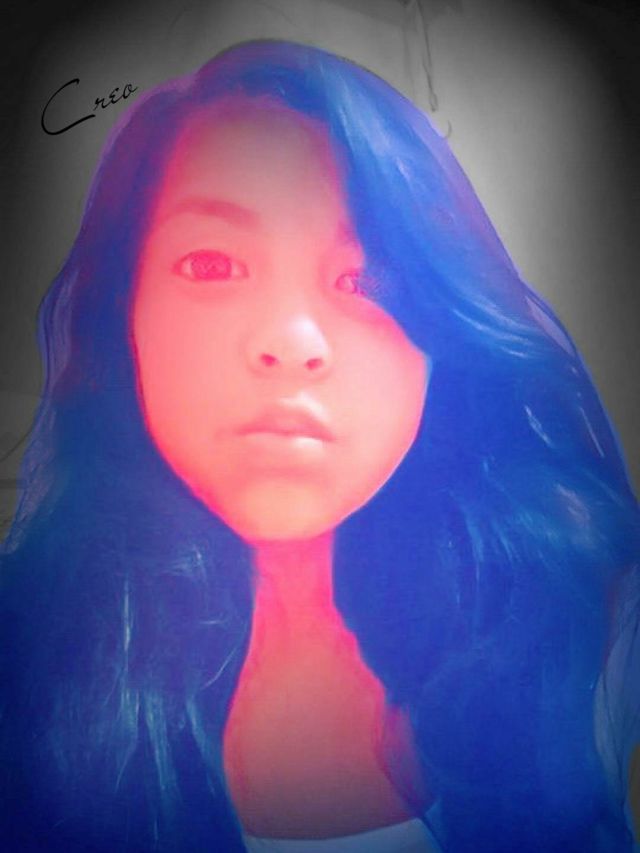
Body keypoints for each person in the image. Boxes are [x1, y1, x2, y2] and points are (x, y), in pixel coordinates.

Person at [0, 39, 638, 853]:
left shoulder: (594, 618)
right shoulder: (21, 654)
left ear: (441, 340)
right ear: (125, 318)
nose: (292, 340)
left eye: (365, 281)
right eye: (211, 262)